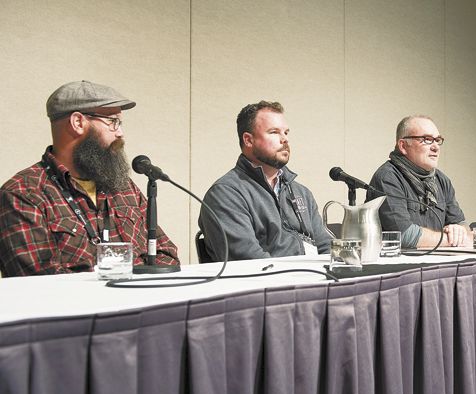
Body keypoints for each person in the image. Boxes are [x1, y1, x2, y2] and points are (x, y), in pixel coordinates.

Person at [0, 80, 180, 276]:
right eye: (113, 122)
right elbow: (40, 283)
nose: (120, 133)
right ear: (78, 123)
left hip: (141, 303)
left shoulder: (123, 185)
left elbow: (166, 254)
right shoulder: (23, 194)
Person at [198, 101, 331, 260]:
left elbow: (326, 247)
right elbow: (247, 260)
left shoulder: (301, 192)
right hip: (269, 282)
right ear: (248, 140)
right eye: (274, 132)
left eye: (286, 133)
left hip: (313, 279)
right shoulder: (225, 194)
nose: (284, 140)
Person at [366, 115, 470, 248]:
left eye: (438, 140)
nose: (436, 147)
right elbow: (404, 236)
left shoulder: (441, 180)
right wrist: (453, 239)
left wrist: (459, 231)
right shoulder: (388, 177)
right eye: (427, 140)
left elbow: (463, 227)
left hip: (439, 261)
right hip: (400, 265)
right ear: (403, 146)